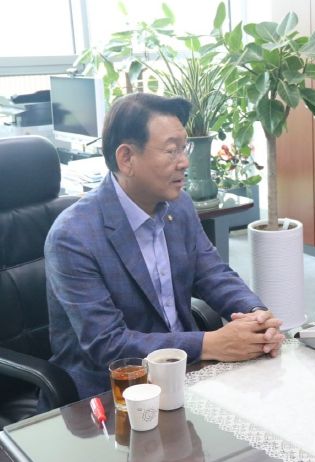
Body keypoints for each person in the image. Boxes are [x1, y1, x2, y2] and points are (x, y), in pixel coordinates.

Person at [45, 93, 285, 401]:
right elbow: (108, 344)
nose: (184, 162)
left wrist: (257, 316)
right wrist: (210, 344)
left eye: (183, 148)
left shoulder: (179, 205)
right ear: (126, 158)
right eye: (172, 150)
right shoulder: (72, 236)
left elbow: (213, 273)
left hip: (187, 375)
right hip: (113, 392)